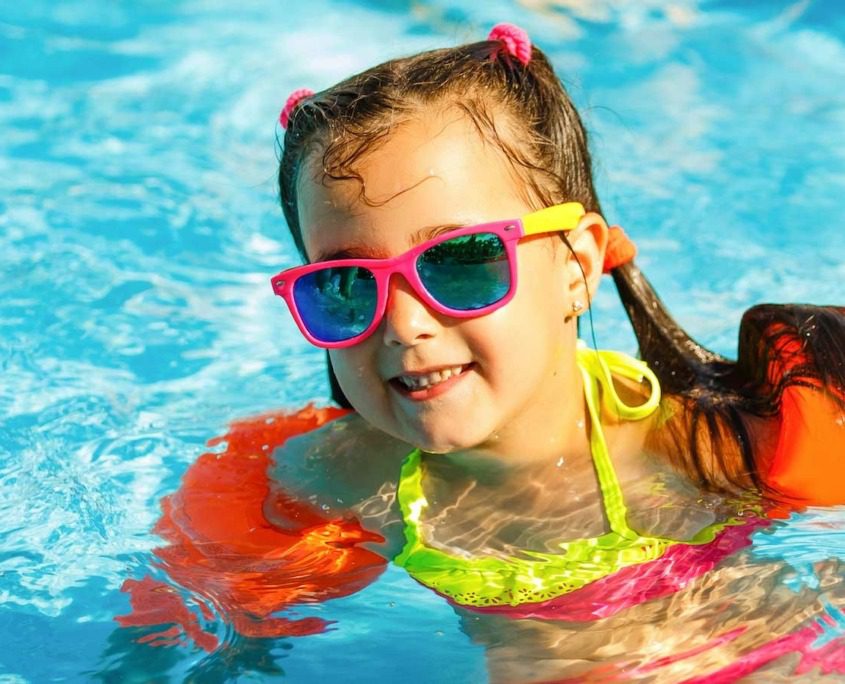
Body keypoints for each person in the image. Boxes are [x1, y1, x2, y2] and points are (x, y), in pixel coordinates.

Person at [118, 23, 845, 680]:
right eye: (344, 283)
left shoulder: (717, 445)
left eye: (461, 260)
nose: (403, 325)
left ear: (576, 265)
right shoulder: (332, 481)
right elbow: (178, 651)